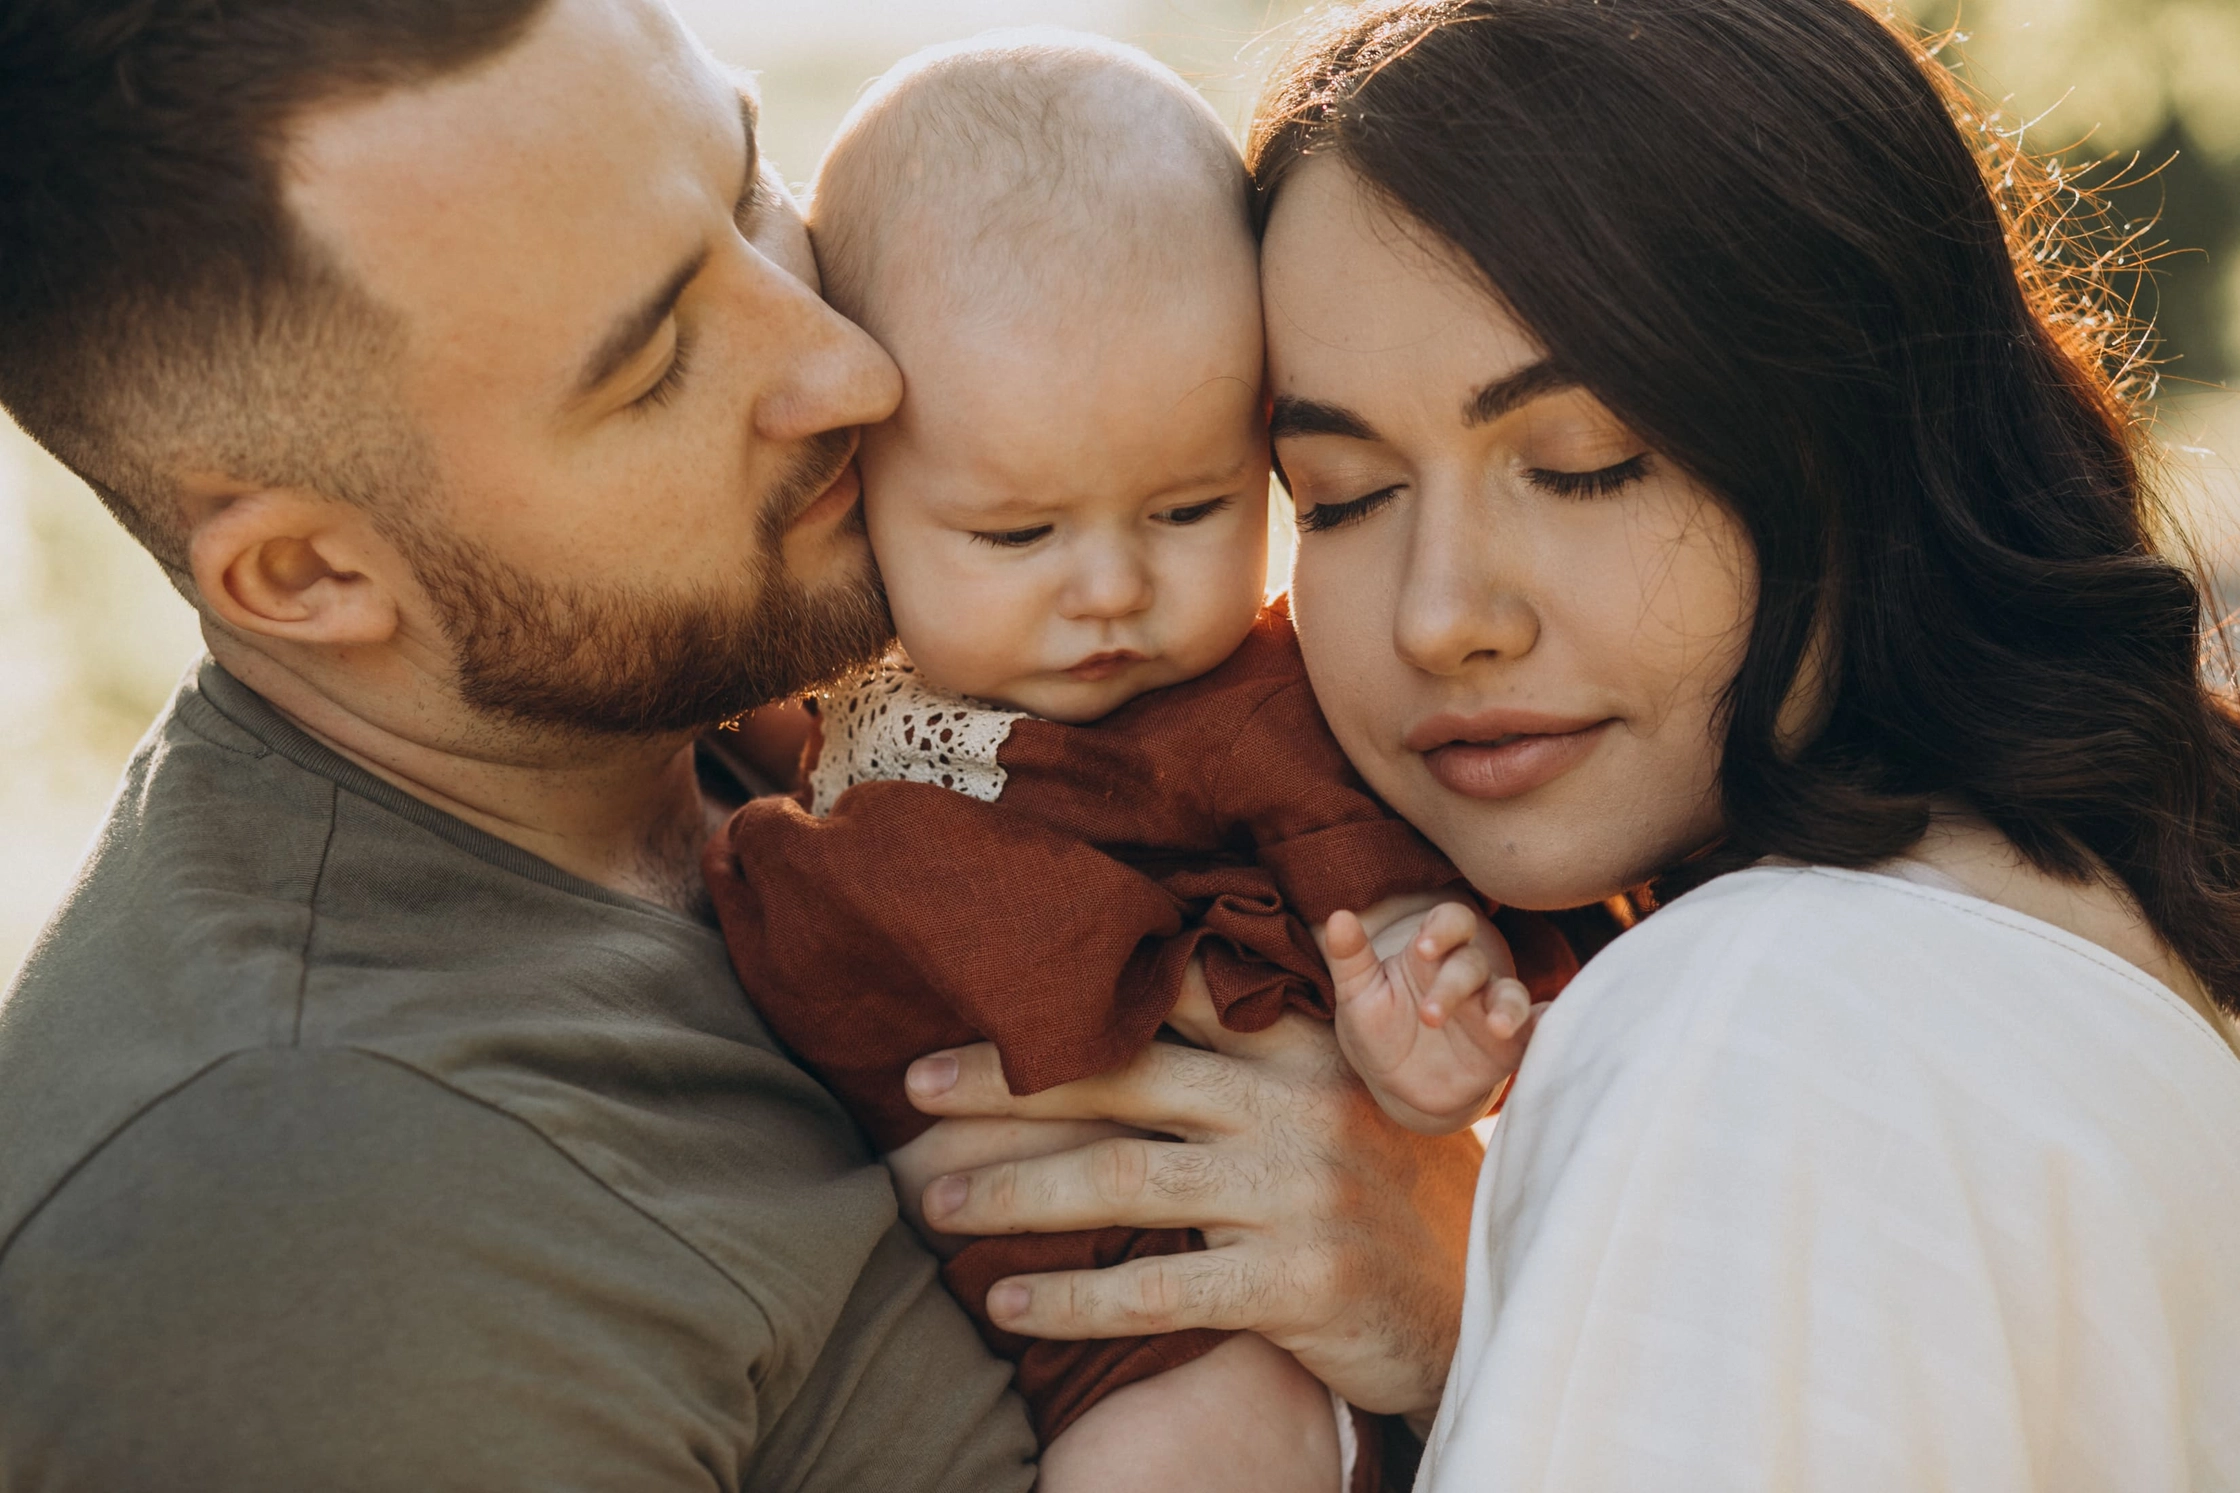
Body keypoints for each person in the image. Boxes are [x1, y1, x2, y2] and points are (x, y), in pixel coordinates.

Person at [0, 1, 1484, 1485]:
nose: (852, 369)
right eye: (654, 364)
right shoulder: (308, 1233)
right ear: (312, 576)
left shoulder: (768, 718)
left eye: (749, 186)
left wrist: (1442, 1291)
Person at [1235, 0, 2240, 1485]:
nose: (1442, 617)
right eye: (1339, 495)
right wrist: (1496, 1340)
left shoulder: (1765, 1018)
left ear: (1862, 428)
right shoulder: (2081, 944)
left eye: (1585, 465)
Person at [704, 36, 1562, 1491]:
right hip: (979, 1299)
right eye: (1018, 533)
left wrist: (1425, 1013)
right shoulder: (830, 698)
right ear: (859, 491)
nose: (1109, 590)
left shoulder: (1252, 708)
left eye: (1188, 510)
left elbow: (1373, 895)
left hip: (1200, 1323)